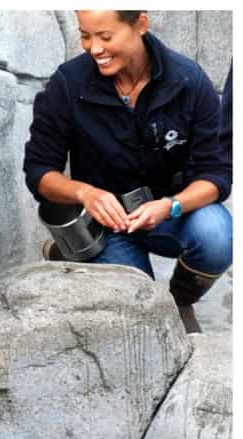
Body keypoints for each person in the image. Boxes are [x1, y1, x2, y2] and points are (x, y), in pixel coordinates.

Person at [24, 11, 232, 333]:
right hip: (106, 224)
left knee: (218, 235)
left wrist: (170, 205)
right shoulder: (68, 83)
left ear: (141, 25)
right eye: (85, 36)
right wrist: (85, 193)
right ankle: (79, 251)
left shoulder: (190, 81)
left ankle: (180, 300)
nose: (94, 48)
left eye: (105, 37)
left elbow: (217, 174)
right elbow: (39, 171)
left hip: (168, 214)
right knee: (139, 304)